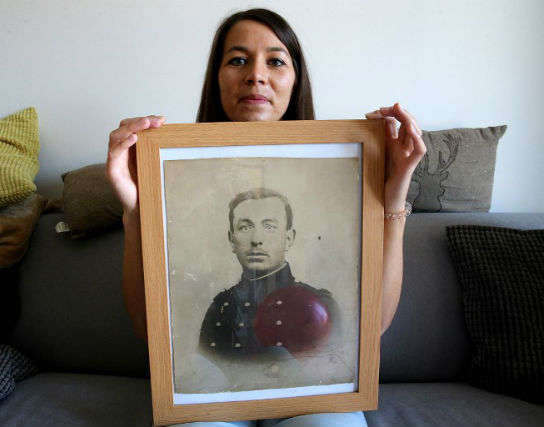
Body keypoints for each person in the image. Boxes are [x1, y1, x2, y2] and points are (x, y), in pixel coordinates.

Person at [106, 8, 426, 427]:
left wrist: (393, 197)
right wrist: (134, 211)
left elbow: (375, 327)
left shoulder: (320, 297)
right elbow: (151, 331)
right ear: (231, 237)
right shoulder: (218, 305)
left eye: (276, 60)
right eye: (237, 59)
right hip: (210, 401)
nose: (256, 75)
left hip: (311, 397)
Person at [199, 187, 341, 360]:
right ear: (232, 240)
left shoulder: (318, 304)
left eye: (269, 227)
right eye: (245, 227)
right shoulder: (221, 307)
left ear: (288, 239)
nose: (256, 239)